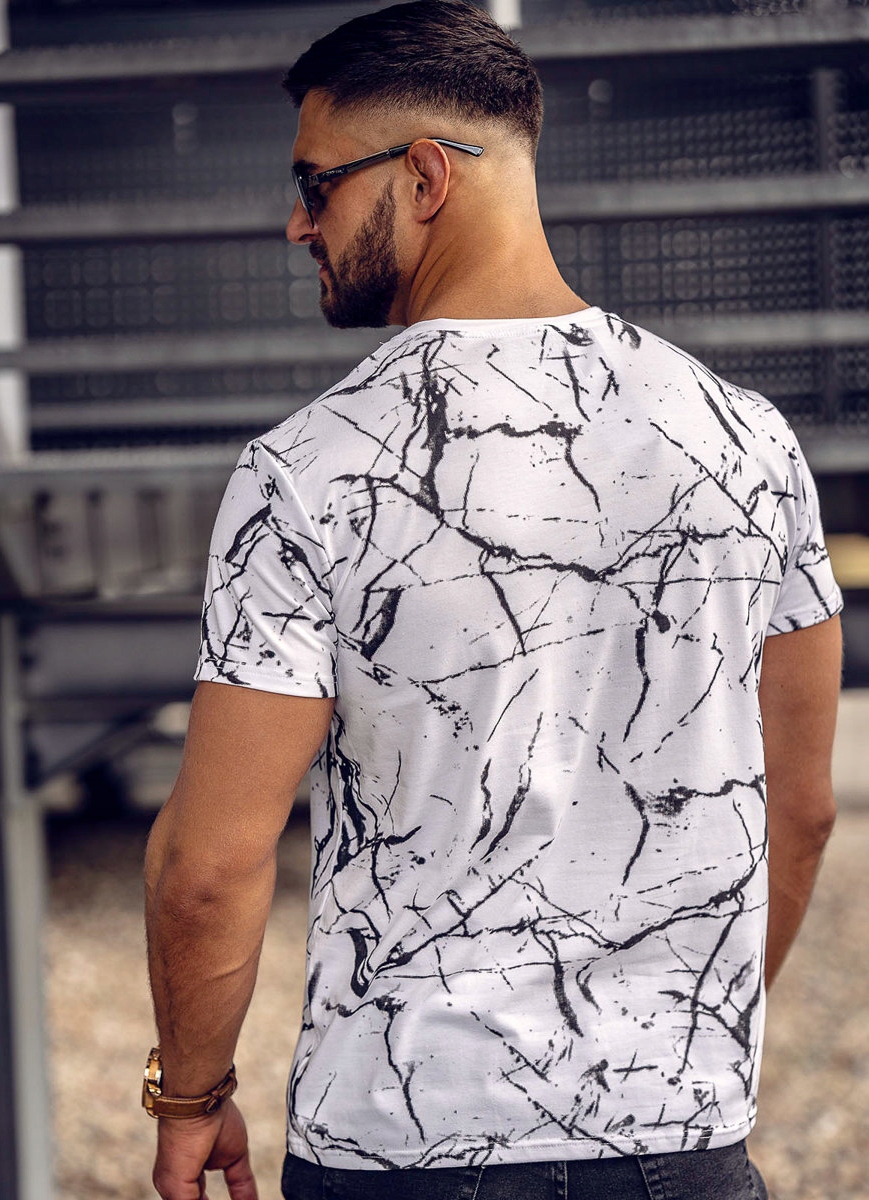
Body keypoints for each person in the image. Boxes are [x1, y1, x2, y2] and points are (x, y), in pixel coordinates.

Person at [143, 3, 843, 1198]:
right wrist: (686, 1050)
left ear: (423, 176)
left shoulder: (311, 470)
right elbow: (803, 808)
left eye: (316, 182)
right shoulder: (749, 441)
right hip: (679, 1139)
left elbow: (211, 861)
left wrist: (190, 1099)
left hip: (404, 1143)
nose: (298, 222)